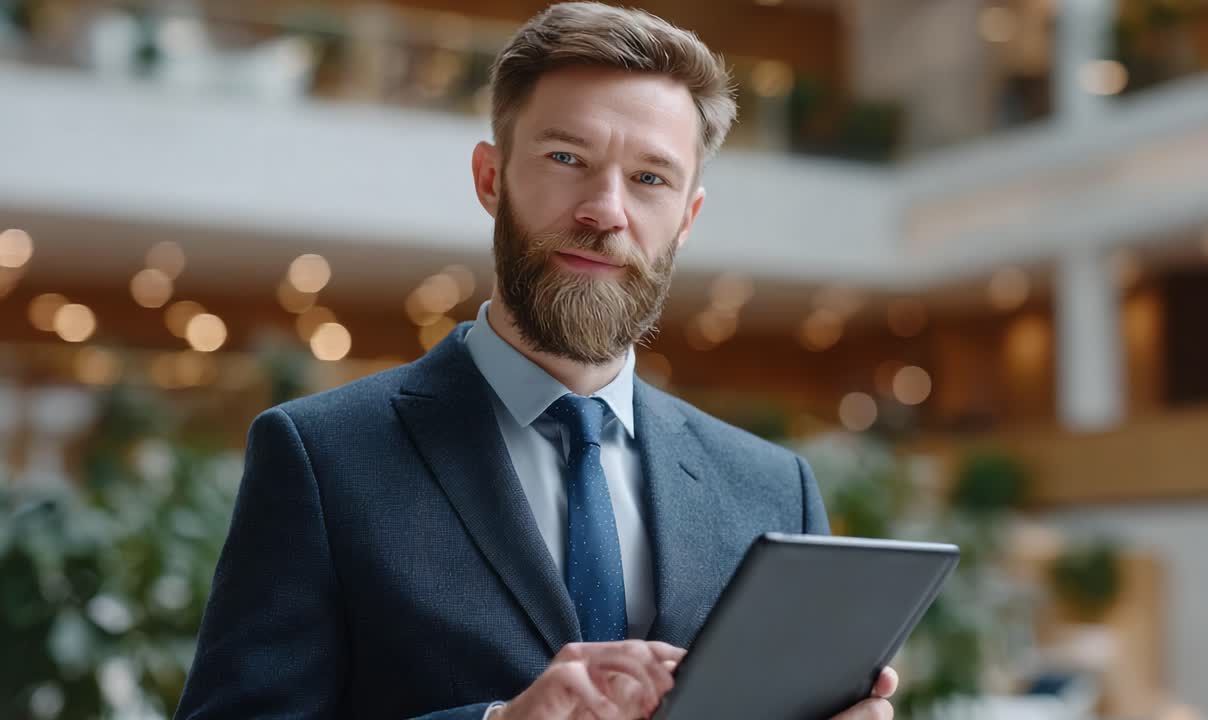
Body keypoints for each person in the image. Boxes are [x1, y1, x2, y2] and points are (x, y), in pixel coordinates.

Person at [175, 3, 897, 719]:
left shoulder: (773, 489)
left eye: (651, 179)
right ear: (491, 179)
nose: (604, 211)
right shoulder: (321, 459)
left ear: (687, 218)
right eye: (566, 159)